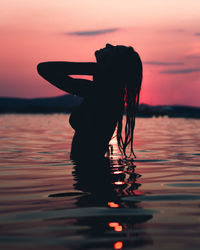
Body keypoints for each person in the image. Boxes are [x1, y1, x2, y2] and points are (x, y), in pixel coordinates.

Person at [37, 43, 143, 161]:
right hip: (91, 172)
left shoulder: (102, 93)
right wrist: (98, 69)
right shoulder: (104, 92)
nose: (108, 44)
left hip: (92, 174)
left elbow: (44, 69)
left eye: (113, 49)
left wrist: (96, 68)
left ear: (112, 63)